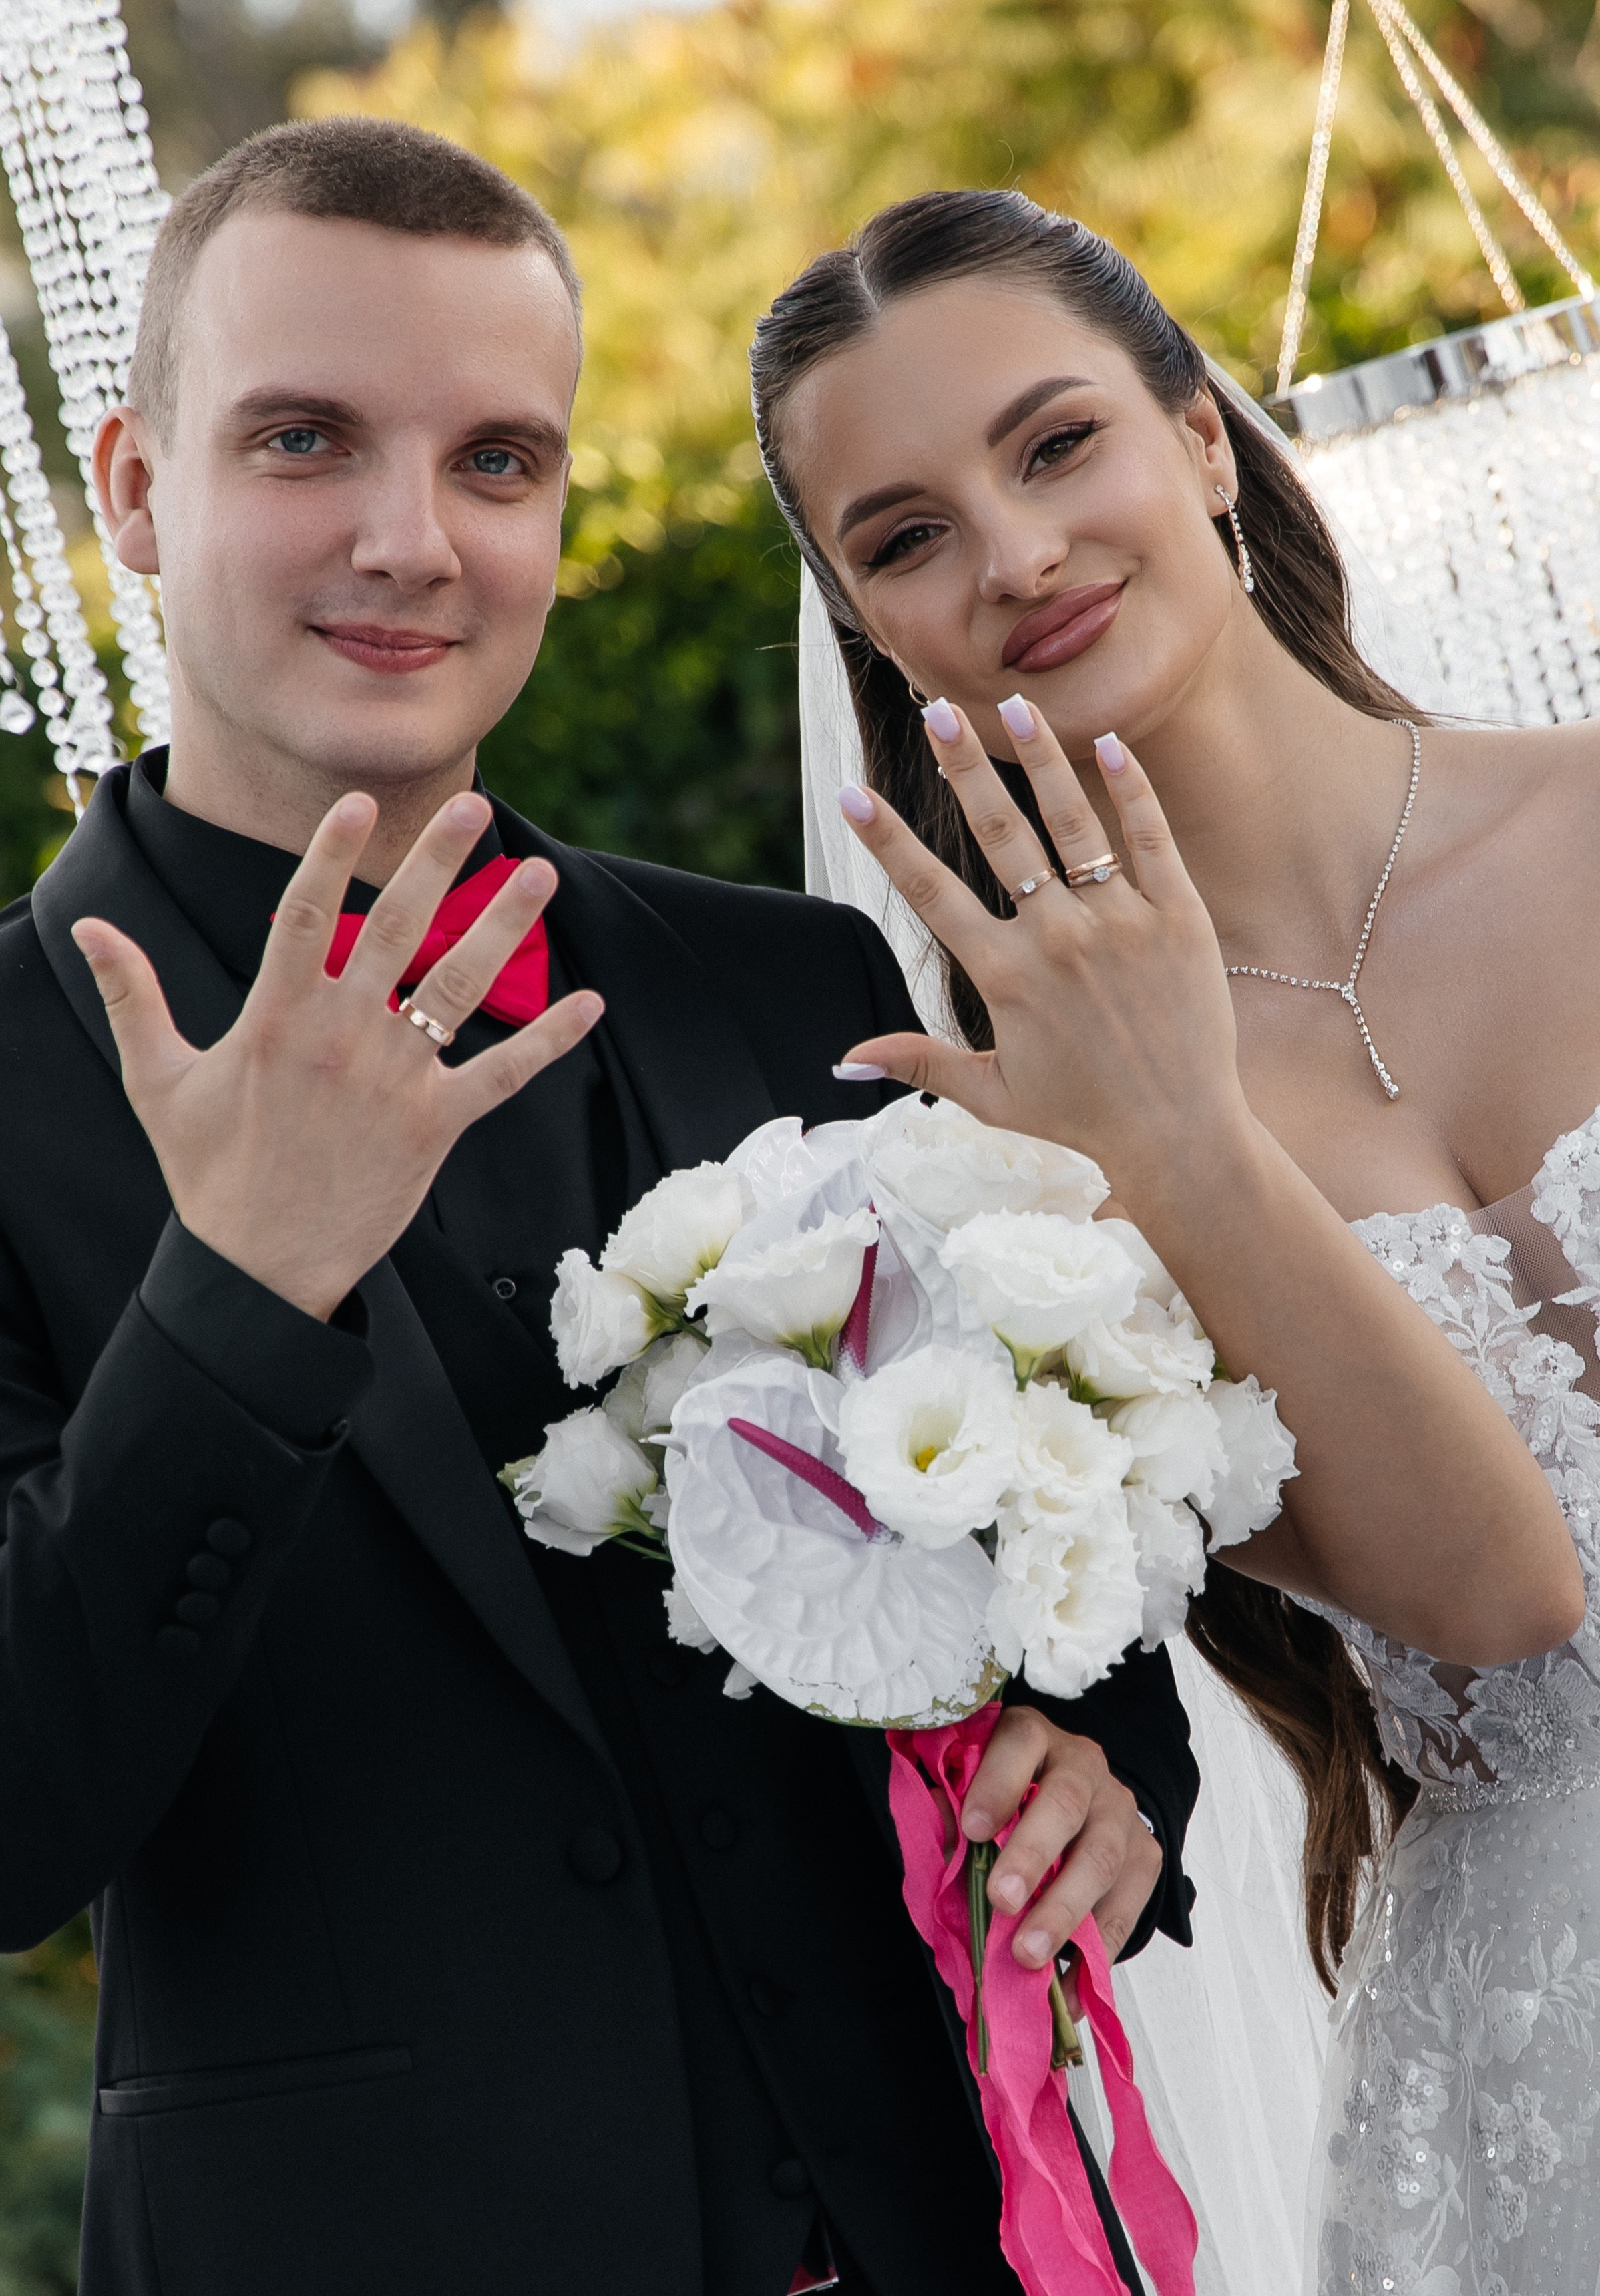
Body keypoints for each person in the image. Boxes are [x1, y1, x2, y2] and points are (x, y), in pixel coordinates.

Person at [0, 122, 1199, 2296]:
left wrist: (1107, 1763)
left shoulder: (795, 979)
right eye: (303, 440)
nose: (410, 539)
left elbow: (1045, 1559)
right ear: (138, 488)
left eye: (498, 461)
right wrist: (243, 1291)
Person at [749, 186, 1600, 2296]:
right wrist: (1179, 1137)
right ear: (870, 630)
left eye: (1055, 448)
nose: (1014, 554)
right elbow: (1496, 1592)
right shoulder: (999, 1174)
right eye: (905, 534)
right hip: (1550, 2058)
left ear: (1203, 442)